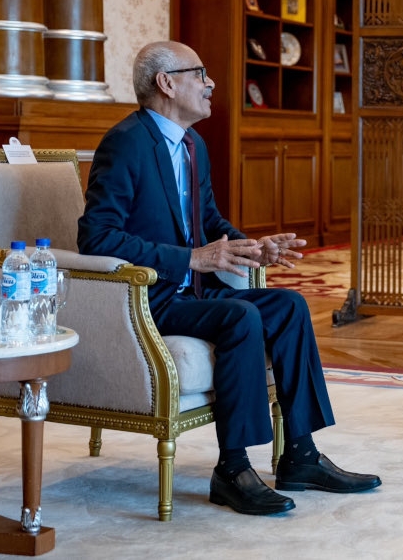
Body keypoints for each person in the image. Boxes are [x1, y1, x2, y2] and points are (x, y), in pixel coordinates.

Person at [78, 40, 381, 516]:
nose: (210, 83)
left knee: (289, 306)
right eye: (200, 73)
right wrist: (189, 259)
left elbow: (209, 219)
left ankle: (299, 455)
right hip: (148, 299)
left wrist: (253, 246)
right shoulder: (125, 144)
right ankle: (233, 469)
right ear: (166, 83)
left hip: (192, 292)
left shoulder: (193, 145)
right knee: (240, 316)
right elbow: (96, 239)